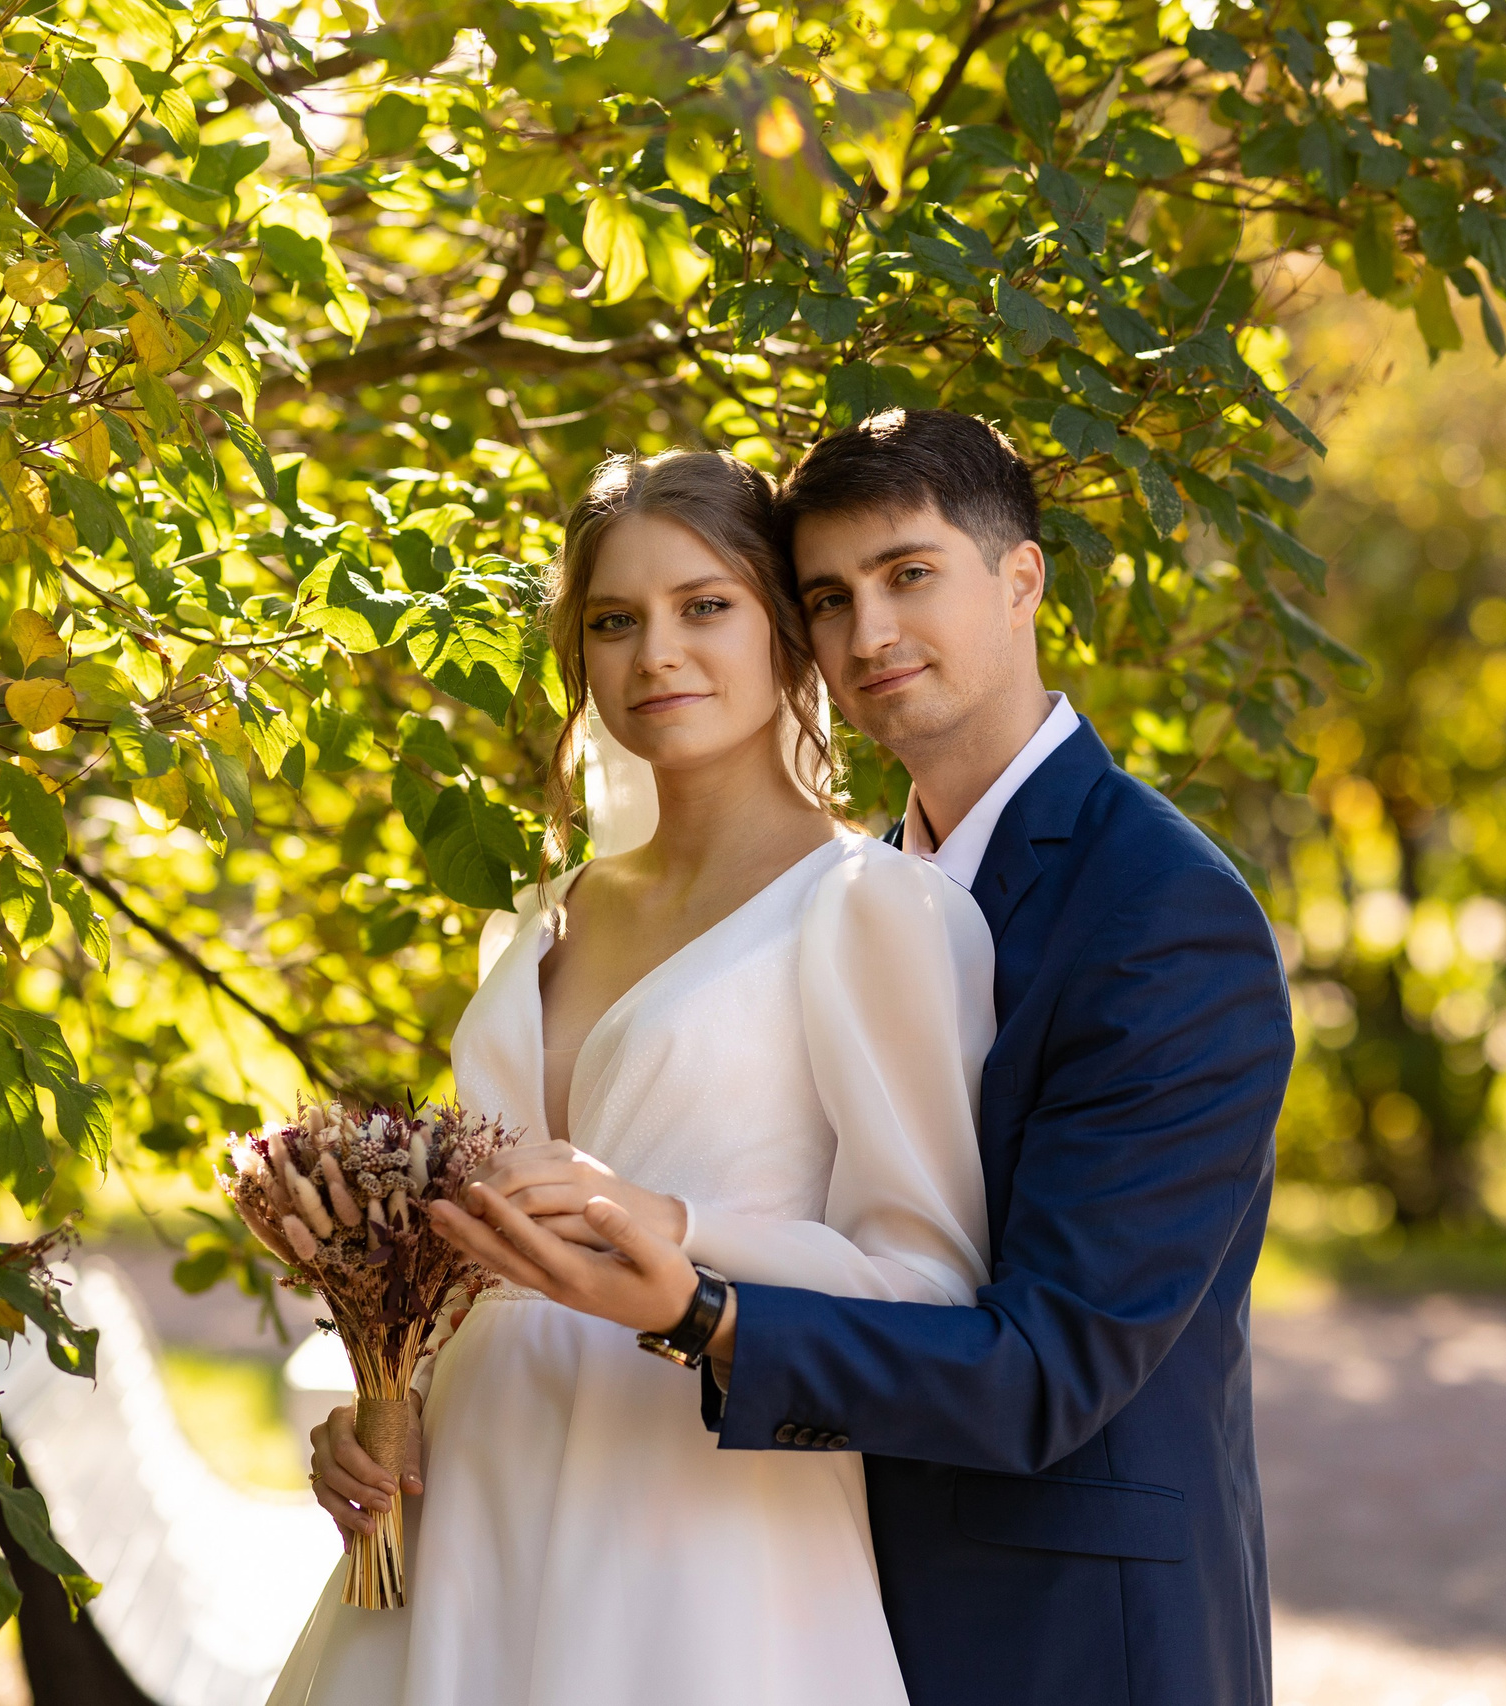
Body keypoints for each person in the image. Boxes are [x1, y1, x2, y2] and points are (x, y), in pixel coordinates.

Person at [429, 410, 1297, 1706]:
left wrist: (701, 1302)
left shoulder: (1161, 912)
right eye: (830, 596)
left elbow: (1048, 1367)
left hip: (1053, 1632)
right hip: (734, 1559)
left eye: (910, 575)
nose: (869, 634)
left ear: (1021, 578)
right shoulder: (856, 885)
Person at [269, 448, 995, 1706]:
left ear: (785, 635)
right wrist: (383, 1393)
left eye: (704, 605)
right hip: (467, 1508)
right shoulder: (542, 916)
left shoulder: (873, 910)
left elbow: (932, 1288)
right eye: (615, 621)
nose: (656, 652)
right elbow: (481, 1243)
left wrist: (683, 1233)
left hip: (702, 1530)